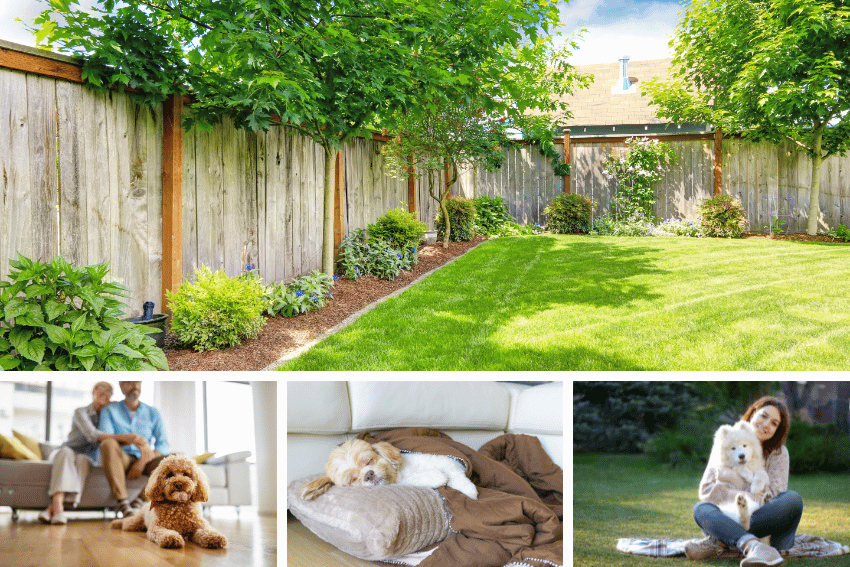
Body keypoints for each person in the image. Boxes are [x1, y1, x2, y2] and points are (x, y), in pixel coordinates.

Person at [685, 396, 803, 567]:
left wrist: (736, 482)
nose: (765, 424)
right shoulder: (725, 442)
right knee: (701, 508)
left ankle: (721, 542)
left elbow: (772, 497)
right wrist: (744, 494)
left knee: (792, 499)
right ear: (753, 412)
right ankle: (753, 546)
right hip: (731, 515)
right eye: (763, 416)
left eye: (774, 423)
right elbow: (706, 490)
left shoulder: (779, 453)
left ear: (777, 430)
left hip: (766, 526)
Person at [38, 382, 149, 525]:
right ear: (93, 391)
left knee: (83, 461)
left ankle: (49, 510)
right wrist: (127, 437)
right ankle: (58, 507)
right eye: (101, 389)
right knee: (65, 453)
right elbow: (92, 435)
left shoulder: (109, 413)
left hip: (87, 455)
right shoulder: (81, 412)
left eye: (109, 391)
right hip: (69, 450)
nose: (105, 392)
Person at [98, 381, 170, 517]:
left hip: (146, 458)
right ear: (121, 386)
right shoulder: (109, 410)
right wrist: (129, 438)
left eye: (138, 383)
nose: (136, 387)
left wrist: (143, 461)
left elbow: (163, 443)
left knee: (172, 460)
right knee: (107, 443)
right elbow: (105, 436)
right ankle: (123, 504)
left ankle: (140, 502)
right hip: (121, 457)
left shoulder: (153, 412)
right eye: (130, 383)